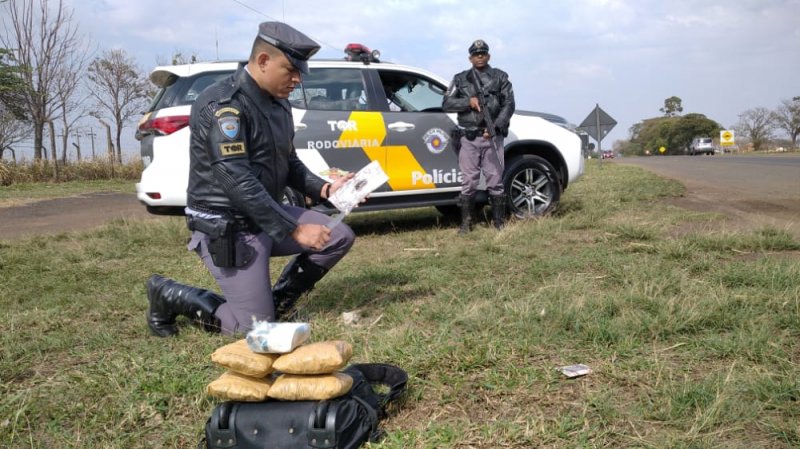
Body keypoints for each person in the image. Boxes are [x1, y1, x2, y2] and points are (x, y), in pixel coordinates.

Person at [146, 22, 356, 337]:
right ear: (262, 61)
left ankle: (276, 303)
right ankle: (168, 294)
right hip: (229, 226)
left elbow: (289, 162)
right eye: (291, 70)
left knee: (337, 235)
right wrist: (294, 229)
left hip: (265, 215)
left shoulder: (279, 103)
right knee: (254, 331)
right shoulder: (224, 105)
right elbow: (235, 177)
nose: (298, 79)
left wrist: (325, 188)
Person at [442, 39, 515, 233]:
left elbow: (509, 104)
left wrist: (496, 126)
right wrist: (468, 101)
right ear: (470, 58)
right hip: (469, 137)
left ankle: (499, 223)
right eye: (476, 54)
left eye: (483, 53)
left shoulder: (500, 77)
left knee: (495, 181)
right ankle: (466, 224)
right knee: (469, 181)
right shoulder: (460, 79)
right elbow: (446, 103)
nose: (480, 56)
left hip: (491, 136)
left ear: (488, 56)